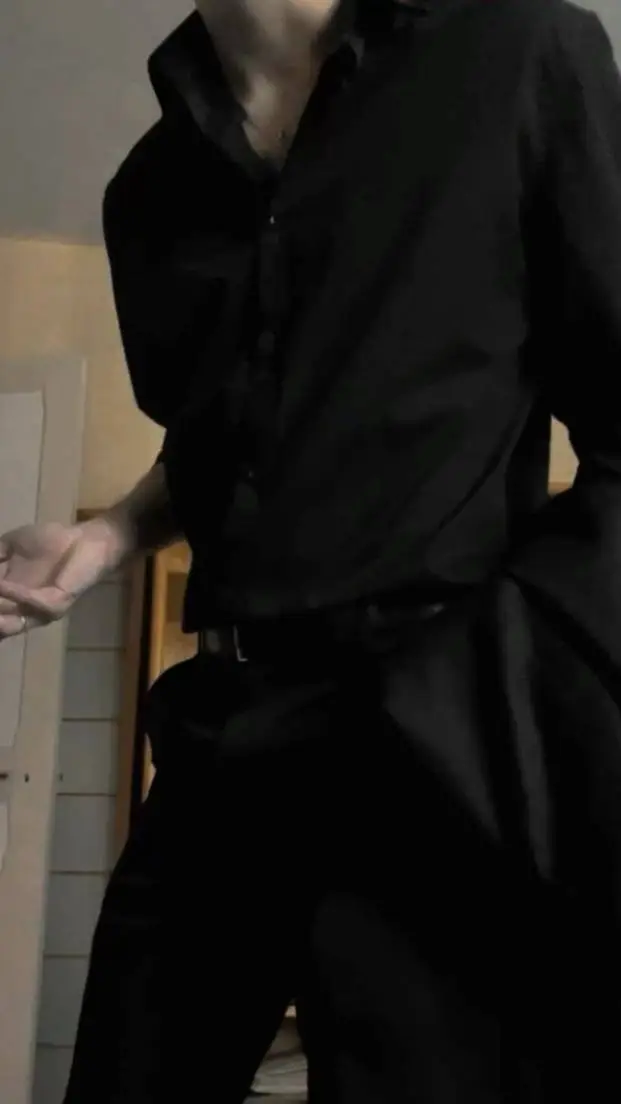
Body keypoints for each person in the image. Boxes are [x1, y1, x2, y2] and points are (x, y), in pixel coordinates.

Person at [2, 0, 621, 1098]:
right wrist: (109, 535)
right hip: (225, 735)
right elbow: (216, 450)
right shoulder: (149, 195)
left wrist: (515, 669)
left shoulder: (521, 52)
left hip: (437, 734)